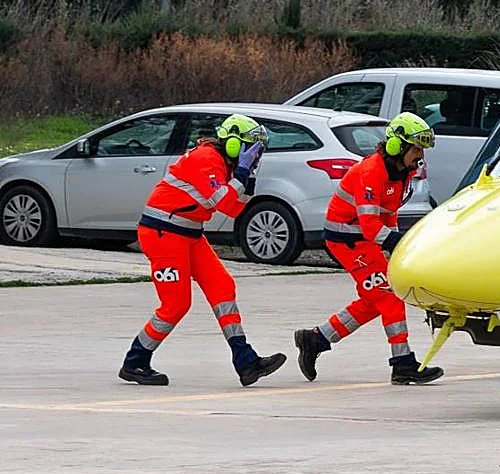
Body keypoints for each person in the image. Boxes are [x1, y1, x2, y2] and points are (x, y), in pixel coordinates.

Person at [119, 114, 287, 387]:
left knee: (222, 286)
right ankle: (135, 361)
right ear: (233, 144)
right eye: (250, 148)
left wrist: (248, 179)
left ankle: (245, 360)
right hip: (163, 234)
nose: (255, 155)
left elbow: (233, 208)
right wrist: (242, 175)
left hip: (188, 233)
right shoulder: (207, 159)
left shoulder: (224, 164)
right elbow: (220, 201)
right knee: (176, 305)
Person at [293, 112, 444, 385]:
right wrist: (397, 242)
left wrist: (394, 241)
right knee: (389, 296)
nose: (420, 155)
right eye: (416, 148)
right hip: (347, 240)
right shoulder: (372, 172)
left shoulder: (401, 173)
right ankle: (402, 364)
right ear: (397, 146)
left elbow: (388, 216)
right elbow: (369, 224)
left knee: (375, 300)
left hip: (361, 239)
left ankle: (316, 339)